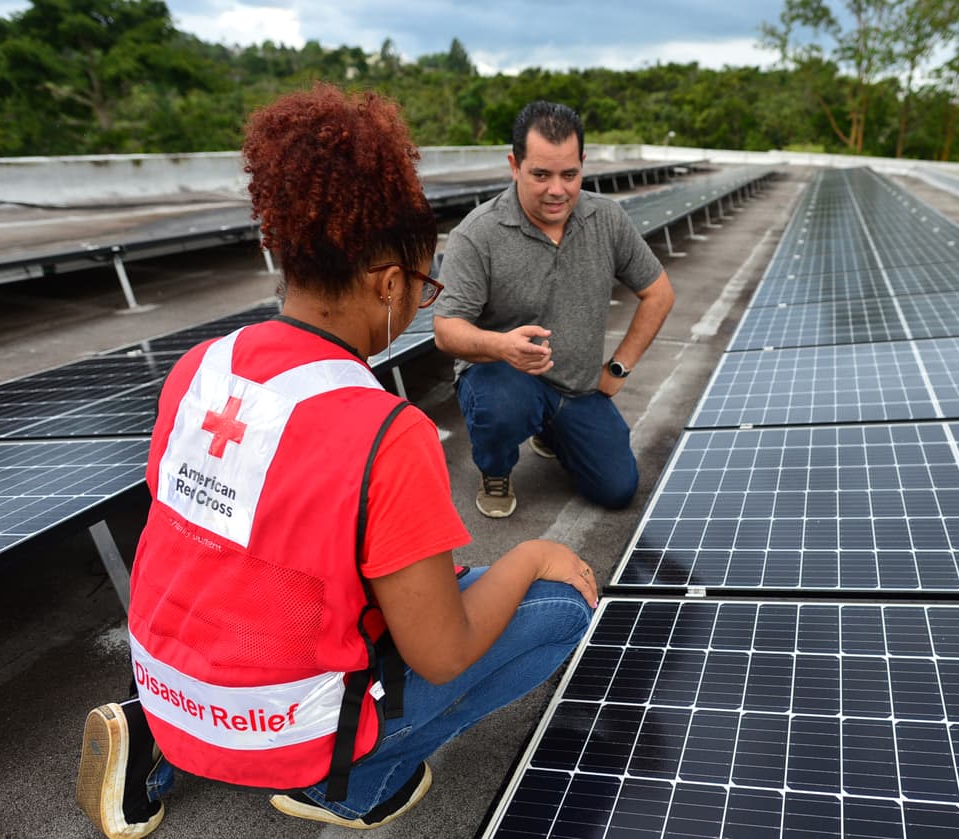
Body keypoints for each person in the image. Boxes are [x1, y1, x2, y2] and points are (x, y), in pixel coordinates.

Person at [74, 84, 597, 839]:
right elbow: (443, 652)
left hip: (167, 678)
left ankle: (150, 736)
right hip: (289, 724)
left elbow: (206, 537)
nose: (421, 303)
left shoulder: (200, 369)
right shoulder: (386, 429)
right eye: (423, 288)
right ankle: (347, 787)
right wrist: (530, 555)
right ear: (389, 283)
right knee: (560, 608)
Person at [433, 100, 675, 519]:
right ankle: (495, 468)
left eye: (570, 174)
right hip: (506, 378)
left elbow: (659, 294)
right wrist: (501, 345)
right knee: (501, 405)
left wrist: (619, 367)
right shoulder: (478, 233)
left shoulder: (607, 219)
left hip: (578, 387)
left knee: (618, 489)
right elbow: (445, 330)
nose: (557, 190)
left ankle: (552, 430)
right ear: (515, 165)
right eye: (540, 175)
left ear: (583, 163)